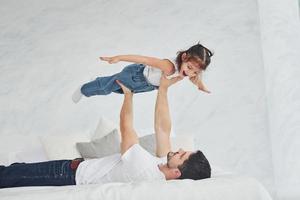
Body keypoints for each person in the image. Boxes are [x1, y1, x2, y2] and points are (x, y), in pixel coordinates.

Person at [0, 74, 211, 188]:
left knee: (7, 175)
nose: (180, 149)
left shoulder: (145, 169)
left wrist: (128, 94)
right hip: (72, 167)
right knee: (16, 168)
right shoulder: (161, 167)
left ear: (176, 173)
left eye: (182, 155)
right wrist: (163, 89)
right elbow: (163, 129)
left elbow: (126, 128)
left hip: (68, 174)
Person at [72, 42, 213, 103]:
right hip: (135, 76)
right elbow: (144, 59)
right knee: (105, 88)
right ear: (184, 57)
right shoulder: (168, 66)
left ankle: (97, 81)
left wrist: (201, 85)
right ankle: (84, 89)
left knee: (115, 89)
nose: (190, 74)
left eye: (195, 72)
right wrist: (119, 57)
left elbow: (195, 78)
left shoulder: (188, 71)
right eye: (189, 68)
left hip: (146, 85)